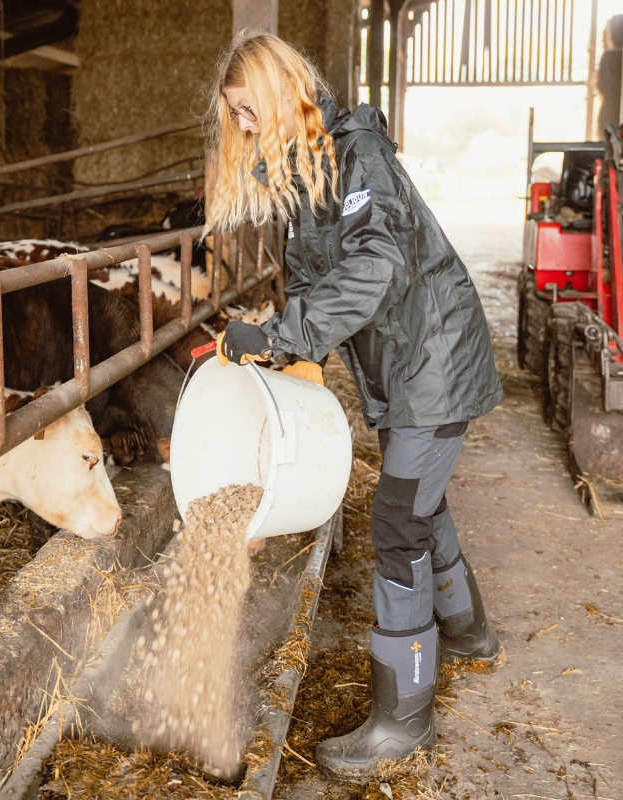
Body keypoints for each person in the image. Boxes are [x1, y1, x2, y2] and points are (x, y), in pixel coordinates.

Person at [207, 34, 504, 781]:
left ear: (278, 90)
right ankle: (468, 633)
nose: (244, 128)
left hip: (431, 360)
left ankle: (403, 720)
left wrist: (279, 335)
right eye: (235, 117)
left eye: (249, 110)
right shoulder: (308, 176)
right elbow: (317, 287)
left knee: (397, 521)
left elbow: (376, 265)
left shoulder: (356, 153)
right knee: (420, 505)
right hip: (408, 366)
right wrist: (288, 351)